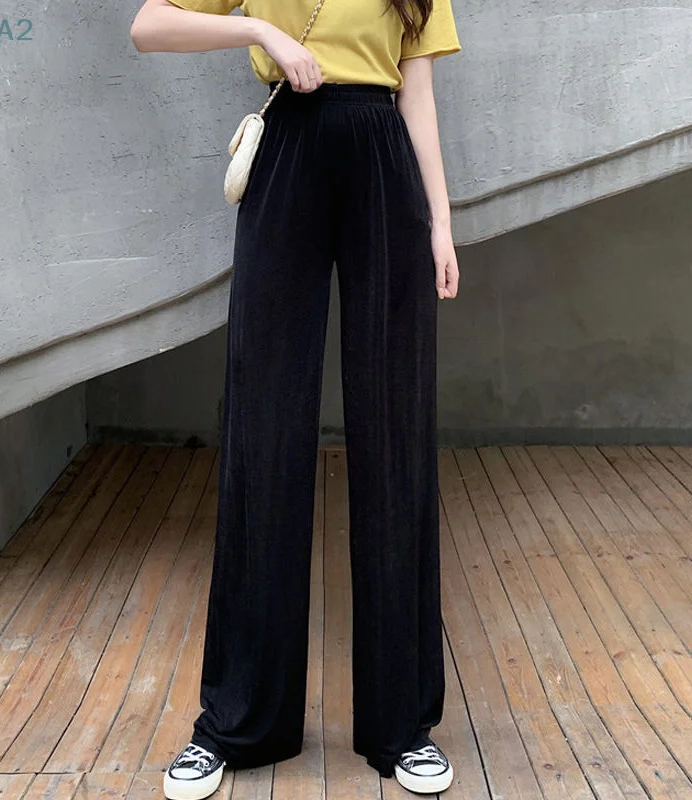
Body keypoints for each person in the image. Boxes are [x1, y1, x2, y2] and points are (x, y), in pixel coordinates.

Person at [130, 0, 462, 796]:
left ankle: (401, 726)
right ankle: (237, 721)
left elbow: (416, 92)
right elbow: (148, 26)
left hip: (385, 163)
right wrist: (258, 30)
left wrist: (442, 221)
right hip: (288, 156)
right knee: (264, 430)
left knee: (395, 434)